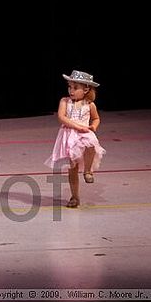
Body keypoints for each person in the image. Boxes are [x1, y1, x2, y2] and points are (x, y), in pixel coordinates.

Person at [45, 69, 106, 208]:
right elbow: (62, 117)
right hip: (70, 136)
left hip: (85, 133)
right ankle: (75, 196)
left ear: (85, 90)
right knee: (73, 168)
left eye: (75, 88)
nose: (71, 91)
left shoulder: (89, 104)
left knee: (91, 144)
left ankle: (88, 171)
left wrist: (94, 126)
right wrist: (77, 127)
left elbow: (96, 118)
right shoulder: (65, 101)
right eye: (69, 87)